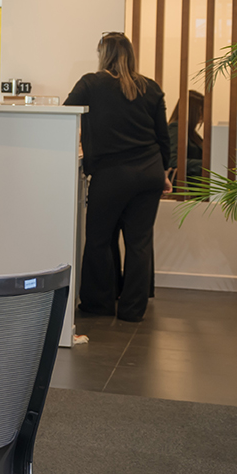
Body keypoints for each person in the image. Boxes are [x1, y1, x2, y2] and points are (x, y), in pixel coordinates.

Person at [64, 32, 170, 322]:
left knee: (99, 239)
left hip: (111, 175)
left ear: (104, 54)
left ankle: (99, 303)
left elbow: (63, 115)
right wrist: (164, 173)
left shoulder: (91, 83)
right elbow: (163, 137)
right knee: (139, 243)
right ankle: (133, 310)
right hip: (149, 173)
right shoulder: (151, 87)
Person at [168, 89, 205, 180]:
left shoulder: (190, 131)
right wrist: (205, 164)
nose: (203, 115)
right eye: (201, 110)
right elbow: (172, 161)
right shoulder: (176, 128)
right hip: (185, 184)